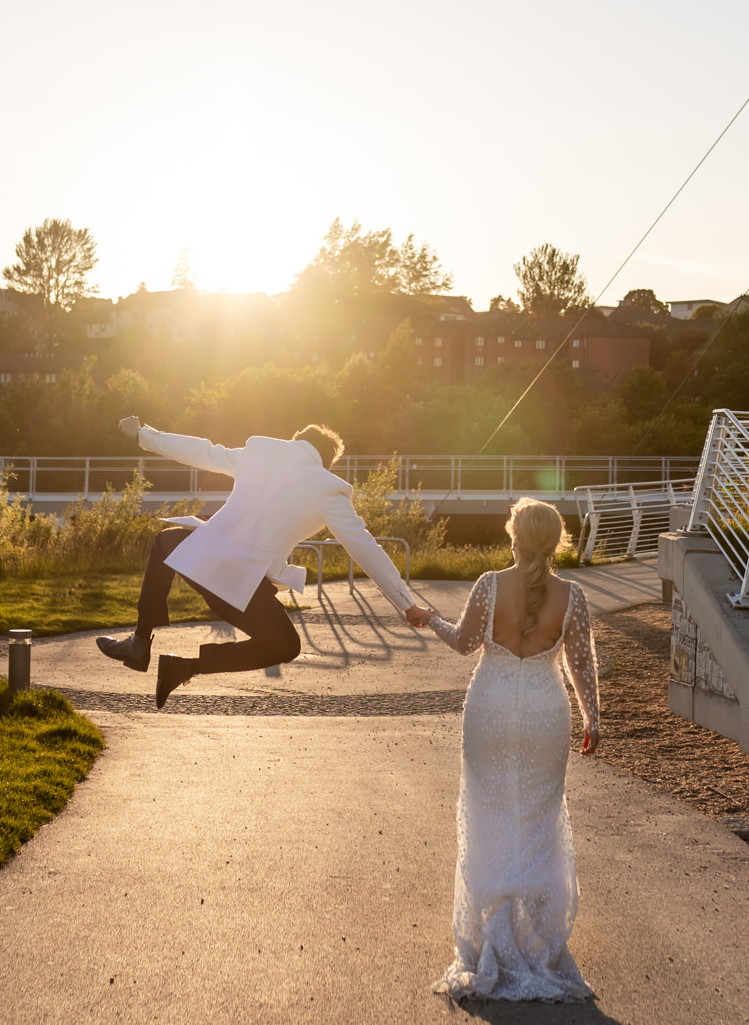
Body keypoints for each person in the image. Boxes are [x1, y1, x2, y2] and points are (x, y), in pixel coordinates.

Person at [96, 416, 421, 707]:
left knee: (166, 543)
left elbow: (203, 451)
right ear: (327, 463)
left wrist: (142, 434)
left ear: (296, 441)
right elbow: (365, 546)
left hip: (203, 560)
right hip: (241, 588)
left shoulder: (260, 452)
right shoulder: (329, 488)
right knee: (284, 646)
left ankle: (140, 640)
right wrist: (407, 604)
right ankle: (187, 666)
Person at [412, 497, 599, 1001]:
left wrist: (429, 618)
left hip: (490, 707)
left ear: (516, 537)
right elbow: (580, 664)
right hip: (544, 711)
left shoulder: (490, 584)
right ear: (555, 540)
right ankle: (536, 945)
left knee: (489, 814)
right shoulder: (573, 595)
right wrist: (592, 717)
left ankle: (492, 936)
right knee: (538, 820)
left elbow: (463, 643)